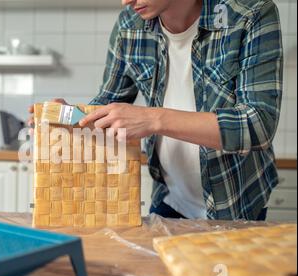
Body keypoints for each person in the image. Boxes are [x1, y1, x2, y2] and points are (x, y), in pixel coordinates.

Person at [28, 0, 283, 221]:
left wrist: (153, 119)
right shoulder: (129, 25)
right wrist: (70, 117)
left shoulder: (251, 13)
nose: (125, 1)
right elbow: (106, 105)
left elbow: (257, 125)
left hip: (236, 202)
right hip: (168, 199)